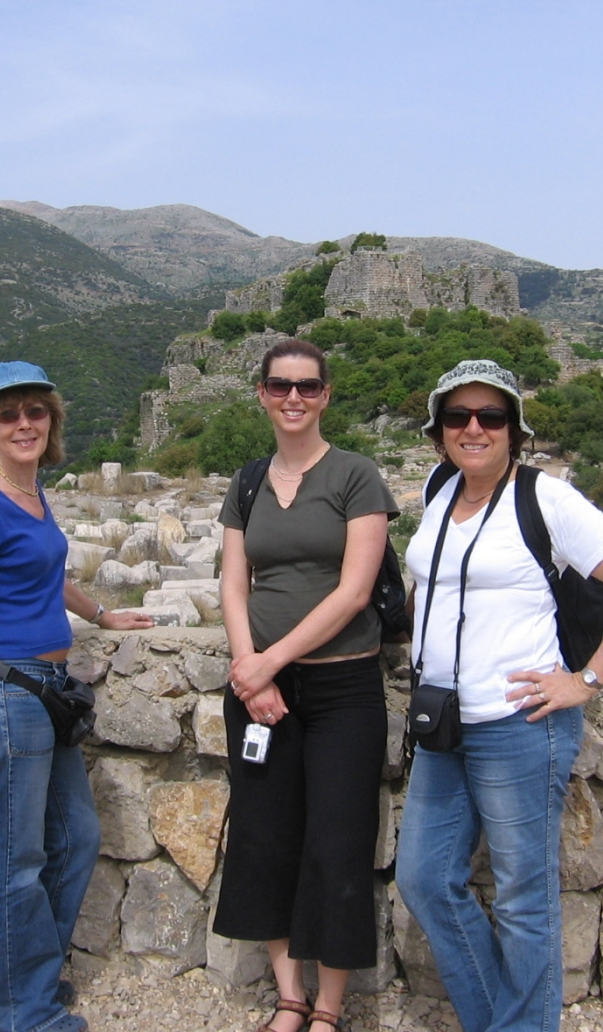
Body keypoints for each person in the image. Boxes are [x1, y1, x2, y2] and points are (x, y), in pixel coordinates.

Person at [395, 359, 603, 1032]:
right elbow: (433, 584)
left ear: (514, 430)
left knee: (524, 901)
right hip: (444, 722)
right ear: (439, 430)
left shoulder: (545, 499)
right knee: (425, 878)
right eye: (458, 416)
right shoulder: (439, 488)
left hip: (520, 726)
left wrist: (586, 680)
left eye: (490, 416)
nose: (473, 429)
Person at [0, 360, 153, 1032]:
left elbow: (45, 573)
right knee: (16, 857)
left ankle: (24, 976)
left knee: (77, 837)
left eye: (35, 411)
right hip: (7, 696)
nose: (24, 423)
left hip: (48, 691)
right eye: (8, 414)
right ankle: (19, 1009)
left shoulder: (30, 489)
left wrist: (103, 615)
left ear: (51, 420)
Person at [214, 339, 399, 1032]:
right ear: (261, 394)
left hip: (343, 688)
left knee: (337, 841)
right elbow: (234, 583)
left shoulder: (356, 475)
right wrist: (249, 668)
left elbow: (354, 592)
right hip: (259, 690)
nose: (294, 397)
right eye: (280, 386)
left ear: (325, 395)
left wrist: (270, 661)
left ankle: (329, 1008)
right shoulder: (247, 482)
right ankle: (290, 997)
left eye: (308, 386)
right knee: (264, 836)